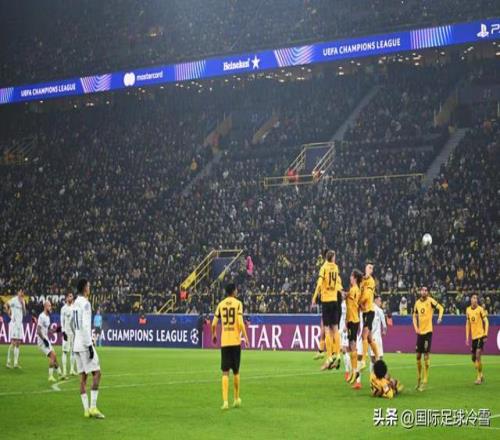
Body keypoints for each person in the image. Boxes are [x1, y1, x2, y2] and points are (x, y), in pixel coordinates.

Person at [211, 283, 250, 410]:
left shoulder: (221, 304)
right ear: (233, 291)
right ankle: (236, 399)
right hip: (235, 341)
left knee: (225, 372)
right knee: (236, 371)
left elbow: (213, 324)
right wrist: (246, 337)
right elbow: (240, 323)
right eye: (236, 289)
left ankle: (225, 402)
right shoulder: (238, 303)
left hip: (225, 342)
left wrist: (214, 334)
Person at [73, 279, 104, 418]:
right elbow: (85, 326)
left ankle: (86, 410)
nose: (90, 288)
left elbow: (74, 324)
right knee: (97, 373)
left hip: (76, 344)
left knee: (83, 378)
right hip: (85, 344)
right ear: (85, 288)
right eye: (89, 286)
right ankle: (93, 407)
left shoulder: (75, 303)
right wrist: (90, 346)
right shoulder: (85, 303)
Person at [312, 250, 343, 371]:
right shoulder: (336, 268)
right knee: (335, 329)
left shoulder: (323, 268)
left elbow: (319, 284)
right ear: (332, 258)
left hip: (326, 301)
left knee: (326, 329)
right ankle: (338, 354)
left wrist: (314, 297)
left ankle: (329, 356)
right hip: (335, 301)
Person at [412, 286, 444, 392]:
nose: (424, 292)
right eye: (423, 290)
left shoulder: (430, 301)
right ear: (420, 292)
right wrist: (416, 328)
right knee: (418, 356)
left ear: (427, 292)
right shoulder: (417, 303)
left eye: (426, 290)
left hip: (428, 332)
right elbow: (414, 316)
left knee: (426, 356)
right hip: (420, 333)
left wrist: (439, 317)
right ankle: (418, 378)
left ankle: (424, 380)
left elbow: (441, 308)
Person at [36, 300, 63, 382]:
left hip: (46, 339)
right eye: (49, 306)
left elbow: (48, 329)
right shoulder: (41, 316)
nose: (50, 307)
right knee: (52, 355)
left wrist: (56, 330)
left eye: (51, 306)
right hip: (42, 341)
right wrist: (44, 340)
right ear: (45, 306)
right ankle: (50, 376)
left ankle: (60, 374)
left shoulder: (47, 317)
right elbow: (38, 331)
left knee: (54, 357)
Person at [465, 293, 489, 384]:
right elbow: (468, 324)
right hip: (473, 337)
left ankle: (478, 378)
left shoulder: (480, 309)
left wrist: (485, 334)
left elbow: (486, 322)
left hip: (480, 336)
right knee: (473, 358)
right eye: (473, 298)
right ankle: (481, 374)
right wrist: (467, 337)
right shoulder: (468, 310)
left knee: (478, 354)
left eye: (476, 298)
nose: (475, 299)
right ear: (471, 299)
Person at [359, 262, 379, 369]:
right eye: (369, 267)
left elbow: (366, 296)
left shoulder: (371, 281)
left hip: (370, 311)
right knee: (370, 338)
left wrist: (359, 302)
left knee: (364, 335)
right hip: (364, 311)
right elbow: (359, 292)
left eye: (372, 268)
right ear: (365, 269)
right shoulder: (362, 280)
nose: (370, 269)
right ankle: (377, 357)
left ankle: (363, 360)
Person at [345, 269, 362, 386]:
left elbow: (348, 298)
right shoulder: (352, 289)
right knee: (351, 346)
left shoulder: (355, 290)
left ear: (355, 278)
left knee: (353, 345)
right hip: (350, 320)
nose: (350, 278)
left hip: (354, 320)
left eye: (351, 276)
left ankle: (355, 371)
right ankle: (353, 371)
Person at [5, 289, 26, 369]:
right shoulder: (14, 300)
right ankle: (8, 362)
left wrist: (23, 305)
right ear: (18, 292)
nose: (21, 293)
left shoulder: (23, 301)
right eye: (20, 292)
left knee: (18, 343)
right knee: (13, 342)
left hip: (19, 324)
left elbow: (24, 313)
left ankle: (15, 363)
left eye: (22, 292)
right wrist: (10, 315)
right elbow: (6, 305)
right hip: (14, 324)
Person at [60, 291, 77, 377]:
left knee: (73, 351)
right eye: (70, 296)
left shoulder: (74, 308)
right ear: (67, 298)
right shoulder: (63, 308)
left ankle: (72, 370)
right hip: (66, 333)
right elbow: (62, 321)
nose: (71, 298)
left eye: (72, 296)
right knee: (65, 351)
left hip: (73, 333)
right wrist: (63, 332)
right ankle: (64, 371)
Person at [369, 296, 387, 373]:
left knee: (373, 358)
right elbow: (384, 324)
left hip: (371, 337)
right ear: (375, 300)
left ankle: (373, 376)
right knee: (378, 357)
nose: (380, 302)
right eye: (380, 301)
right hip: (376, 337)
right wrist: (384, 330)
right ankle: (377, 375)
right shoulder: (379, 310)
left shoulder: (369, 308)